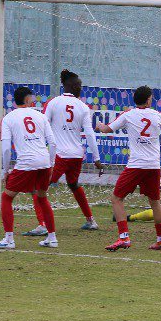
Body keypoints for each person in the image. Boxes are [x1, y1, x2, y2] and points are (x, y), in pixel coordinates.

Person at [96, 85, 161, 251]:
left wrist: (99, 124)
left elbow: (106, 129)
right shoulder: (156, 114)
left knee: (116, 198)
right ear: (148, 100)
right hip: (153, 166)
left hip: (136, 165)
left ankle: (124, 238)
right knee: (155, 203)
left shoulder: (128, 114)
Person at [25, 69, 103, 236]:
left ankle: (43, 225)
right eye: (79, 85)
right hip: (77, 155)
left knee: (37, 188)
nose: (80, 88)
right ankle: (91, 221)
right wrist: (96, 158)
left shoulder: (53, 103)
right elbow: (89, 134)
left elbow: (43, 125)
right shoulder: (83, 107)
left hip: (60, 155)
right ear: (71, 86)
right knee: (73, 184)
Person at [0, 86, 58, 250]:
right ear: (27, 100)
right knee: (42, 198)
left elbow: (6, 149)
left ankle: (9, 239)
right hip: (44, 161)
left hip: (26, 163)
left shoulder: (8, 118)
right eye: (32, 99)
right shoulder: (41, 116)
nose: (33, 101)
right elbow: (53, 143)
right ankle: (52, 238)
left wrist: (5, 170)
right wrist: (51, 164)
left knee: (6, 198)